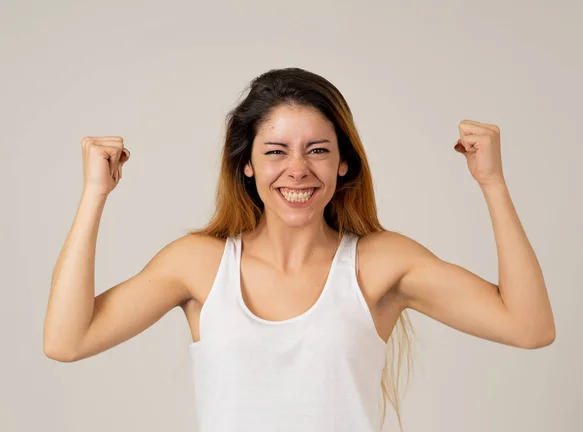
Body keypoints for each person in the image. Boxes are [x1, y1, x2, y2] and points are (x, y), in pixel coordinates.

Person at [43, 67, 556, 432]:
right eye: (275, 151)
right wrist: (94, 195)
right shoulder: (199, 264)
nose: (298, 170)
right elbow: (67, 341)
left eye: (318, 150)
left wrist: (492, 182)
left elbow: (529, 327)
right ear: (247, 164)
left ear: (343, 164)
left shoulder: (379, 265)